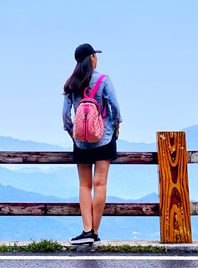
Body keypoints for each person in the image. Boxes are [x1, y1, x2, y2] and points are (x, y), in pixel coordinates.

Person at [62, 43, 122, 245]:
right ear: (92, 58)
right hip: (103, 138)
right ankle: (94, 231)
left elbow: (65, 115)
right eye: (95, 55)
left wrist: (73, 134)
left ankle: (86, 230)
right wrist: (115, 127)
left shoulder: (72, 82)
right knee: (100, 183)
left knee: (84, 185)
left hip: (81, 142)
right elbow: (115, 108)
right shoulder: (103, 80)